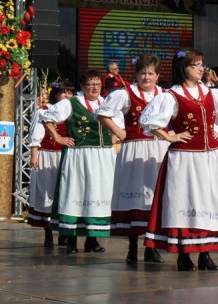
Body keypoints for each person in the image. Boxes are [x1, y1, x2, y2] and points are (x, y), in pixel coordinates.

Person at [140, 49, 218, 271]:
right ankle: (184, 254)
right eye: (195, 65)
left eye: (202, 64)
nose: (201, 69)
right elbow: (149, 122)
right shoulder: (172, 96)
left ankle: (206, 254)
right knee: (186, 202)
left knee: (210, 202)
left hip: (210, 158)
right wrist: (170, 136)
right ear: (183, 68)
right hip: (184, 159)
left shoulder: (212, 93)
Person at [96, 54, 170, 265]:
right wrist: (121, 133)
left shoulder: (165, 95)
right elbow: (103, 114)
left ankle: (151, 247)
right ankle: (132, 246)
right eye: (142, 73)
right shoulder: (126, 93)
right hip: (135, 150)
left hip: (158, 148)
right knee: (135, 197)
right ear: (136, 74)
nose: (146, 77)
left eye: (150, 73)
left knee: (154, 198)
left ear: (157, 76)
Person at [42, 70, 116, 255]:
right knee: (76, 193)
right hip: (79, 155)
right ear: (82, 87)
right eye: (90, 84)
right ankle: (72, 241)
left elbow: (118, 126)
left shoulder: (107, 103)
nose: (95, 88)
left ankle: (92, 240)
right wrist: (58, 137)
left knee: (98, 193)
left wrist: (114, 137)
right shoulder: (71, 103)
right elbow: (47, 118)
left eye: (98, 84)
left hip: (102, 156)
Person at [27, 81, 74, 245]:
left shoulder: (72, 111)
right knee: (47, 192)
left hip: (65, 155)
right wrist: (34, 155)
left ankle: (63, 232)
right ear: (56, 94)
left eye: (70, 93)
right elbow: (35, 135)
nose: (67, 96)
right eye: (64, 92)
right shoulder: (44, 110)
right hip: (47, 155)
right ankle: (48, 231)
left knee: (64, 193)